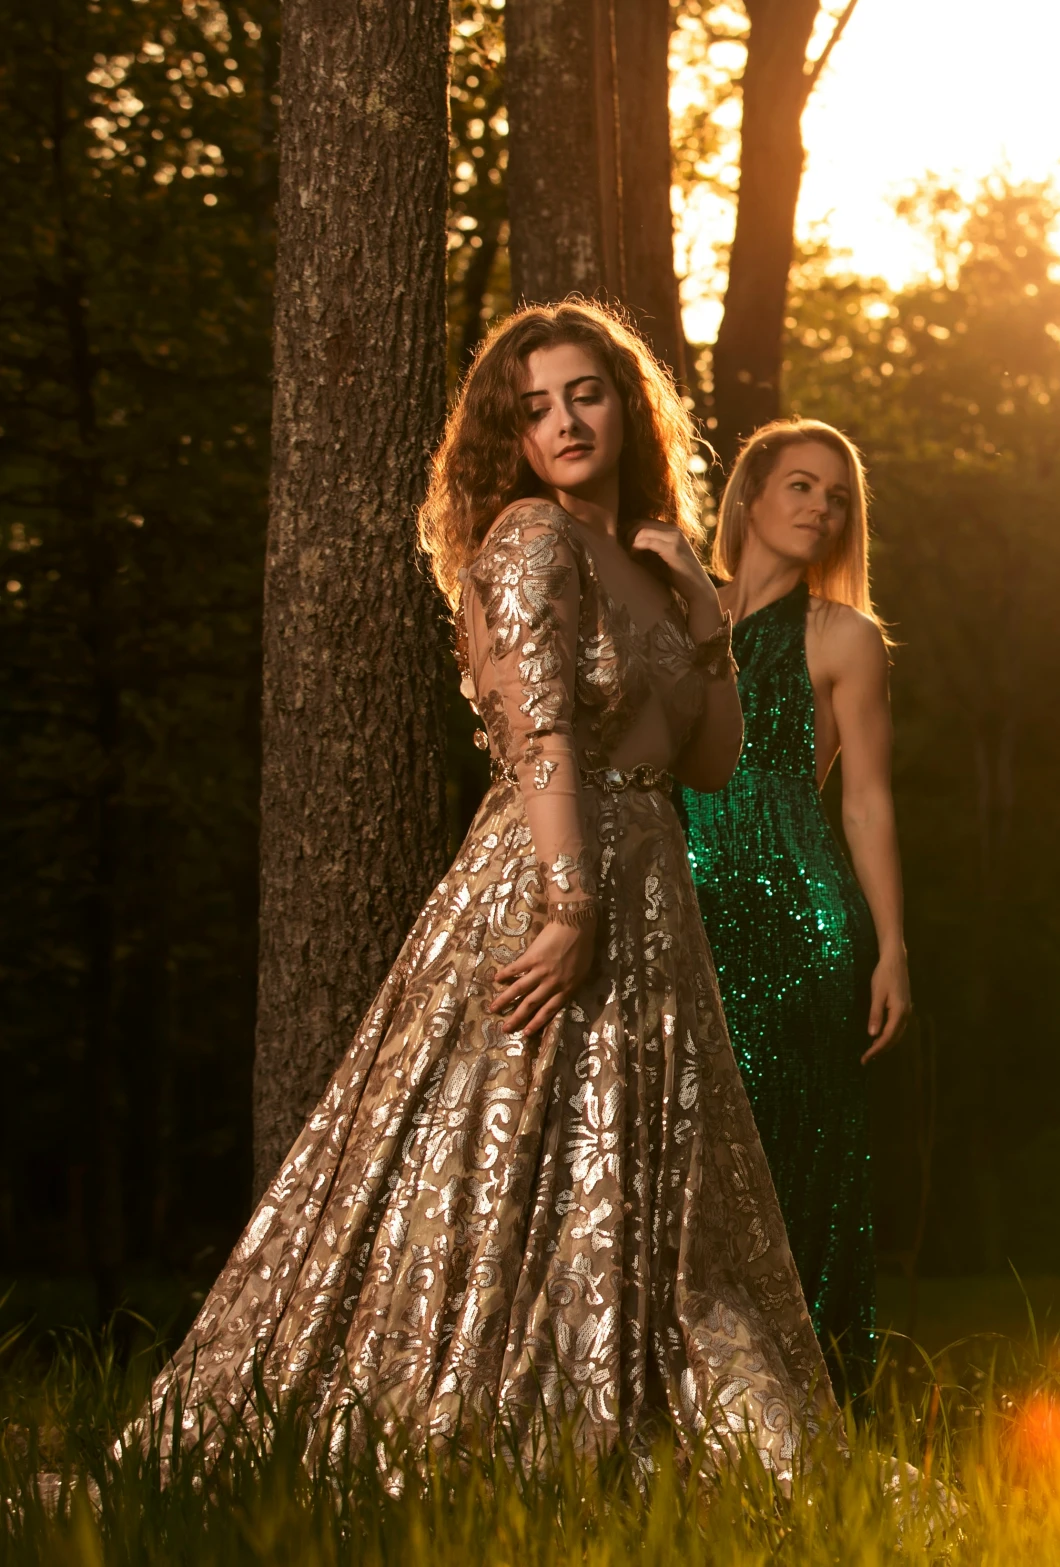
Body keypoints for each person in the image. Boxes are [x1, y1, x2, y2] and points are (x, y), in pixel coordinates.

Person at [137, 302, 834, 1474]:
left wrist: (709, 624)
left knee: (635, 1170)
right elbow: (544, 729)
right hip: (552, 873)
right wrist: (569, 908)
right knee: (512, 1153)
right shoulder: (529, 543)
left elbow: (708, 763)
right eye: (535, 407)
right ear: (508, 436)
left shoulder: (653, 561)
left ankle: (625, 1395)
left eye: (586, 394)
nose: (564, 421)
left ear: (627, 404)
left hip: (654, 881)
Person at [679, 419, 911, 1410]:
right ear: (749, 497)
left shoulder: (843, 636)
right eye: (802, 486)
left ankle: (803, 1403)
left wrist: (891, 944)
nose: (820, 508)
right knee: (676, 1143)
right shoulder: (674, 608)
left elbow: (864, 799)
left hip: (795, 917)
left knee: (785, 1151)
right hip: (679, 907)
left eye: (837, 498)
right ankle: (681, 1395)